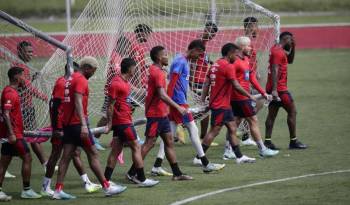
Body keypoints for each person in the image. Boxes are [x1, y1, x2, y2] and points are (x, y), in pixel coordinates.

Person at [52, 56, 126, 200]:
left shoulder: (69, 80)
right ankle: (106, 186)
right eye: (93, 70)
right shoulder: (80, 80)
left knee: (66, 157)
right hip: (78, 125)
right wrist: (84, 125)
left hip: (68, 125)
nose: (93, 73)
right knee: (93, 154)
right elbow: (78, 102)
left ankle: (58, 190)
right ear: (86, 67)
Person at [151, 40, 225, 174]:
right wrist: (171, 103)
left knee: (169, 133)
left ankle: (157, 166)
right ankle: (205, 163)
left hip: (178, 100)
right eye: (199, 54)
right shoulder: (180, 61)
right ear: (194, 50)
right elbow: (172, 82)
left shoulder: (183, 60)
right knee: (193, 129)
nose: (200, 57)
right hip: (177, 102)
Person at [126, 46, 193, 181]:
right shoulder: (157, 73)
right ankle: (132, 172)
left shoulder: (157, 70)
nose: (167, 56)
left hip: (162, 114)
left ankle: (177, 174)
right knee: (149, 144)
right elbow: (162, 95)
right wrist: (177, 107)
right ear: (158, 57)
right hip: (155, 114)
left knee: (169, 142)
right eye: (165, 54)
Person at [41, 62, 101, 197]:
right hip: (63, 126)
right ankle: (45, 186)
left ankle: (86, 182)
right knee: (56, 155)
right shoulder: (62, 83)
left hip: (70, 125)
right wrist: (57, 127)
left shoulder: (70, 82)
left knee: (74, 153)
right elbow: (55, 106)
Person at [104, 58, 159, 187]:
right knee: (136, 146)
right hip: (122, 122)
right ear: (129, 68)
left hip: (124, 120)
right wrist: (110, 123)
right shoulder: (116, 83)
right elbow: (110, 105)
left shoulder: (126, 83)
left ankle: (106, 179)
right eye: (134, 68)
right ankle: (141, 178)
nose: (136, 70)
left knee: (116, 150)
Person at [223, 37, 279, 159]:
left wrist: (263, 92)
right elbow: (232, 81)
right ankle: (262, 149)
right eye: (248, 46)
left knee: (235, 123)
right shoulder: (235, 62)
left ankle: (227, 150)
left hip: (242, 96)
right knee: (253, 120)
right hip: (239, 97)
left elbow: (252, 78)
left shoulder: (246, 59)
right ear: (241, 47)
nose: (251, 48)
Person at [200, 43, 256, 164]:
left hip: (223, 104)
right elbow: (236, 85)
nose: (237, 57)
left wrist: (203, 99)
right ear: (230, 54)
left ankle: (239, 157)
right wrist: (249, 95)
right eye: (236, 54)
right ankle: (199, 157)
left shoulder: (215, 64)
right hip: (220, 105)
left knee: (232, 128)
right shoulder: (228, 66)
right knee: (214, 131)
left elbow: (206, 82)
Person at [0, 67, 42, 201]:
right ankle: (27, 190)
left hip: (11, 134)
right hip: (14, 135)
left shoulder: (11, 91)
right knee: (27, 158)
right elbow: (6, 114)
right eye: (23, 76)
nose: (25, 79)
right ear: (16, 77)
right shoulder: (10, 93)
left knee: (4, 163)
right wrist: (12, 133)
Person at [264, 31, 307, 150]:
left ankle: (267, 141)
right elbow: (275, 69)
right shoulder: (278, 52)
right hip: (280, 90)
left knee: (272, 114)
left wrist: (294, 47)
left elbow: (290, 60)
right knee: (292, 112)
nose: (292, 41)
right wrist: (274, 90)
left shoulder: (276, 49)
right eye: (291, 40)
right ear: (285, 39)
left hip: (272, 88)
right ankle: (293, 141)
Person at [14, 41, 49, 171]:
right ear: (20, 52)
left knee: (18, 137)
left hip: (26, 107)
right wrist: (44, 97)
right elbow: (28, 88)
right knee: (32, 136)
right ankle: (46, 164)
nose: (31, 54)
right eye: (28, 52)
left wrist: (33, 79)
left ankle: (45, 163)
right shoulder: (19, 67)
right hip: (24, 108)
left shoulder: (23, 66)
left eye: (32, 52)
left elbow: (24, 85)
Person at [190, 22, 219, 145]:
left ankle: (184, 122)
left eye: (214, 32)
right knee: (205, 109)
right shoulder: (199, 44)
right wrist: (191, 81)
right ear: (205, 29)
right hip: (197, 81)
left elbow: (203, 60)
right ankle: (202, 137)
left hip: (202, 80)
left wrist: (211, 62)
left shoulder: (204, 45)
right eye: (210, 30)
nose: (211, 34)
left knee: (204, 109)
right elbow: (192, 62)